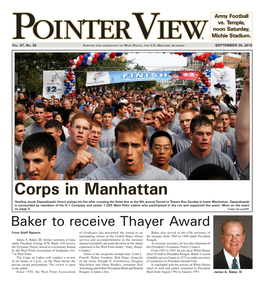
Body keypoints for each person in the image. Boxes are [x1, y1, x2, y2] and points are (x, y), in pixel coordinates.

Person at [65, 118, 172, 180]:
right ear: (115, 145)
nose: (129, 152)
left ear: (145, 146)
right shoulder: (99, 177)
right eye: (124, 145)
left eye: (135, 145)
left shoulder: (162, 179)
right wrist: (69, 174)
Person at [169, 115, 238, 179]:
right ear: (191, 135)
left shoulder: (225, 161)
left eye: (208, 134)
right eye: (200, 134)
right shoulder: (176, 163)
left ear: (212, 135)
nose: (205, 138)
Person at [55, 112, 112, 179]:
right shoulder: (54, 156)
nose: (81, 131)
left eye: (85, 128)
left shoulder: (103, 160)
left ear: (90, 133)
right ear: (69, 130)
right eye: (77, 127)